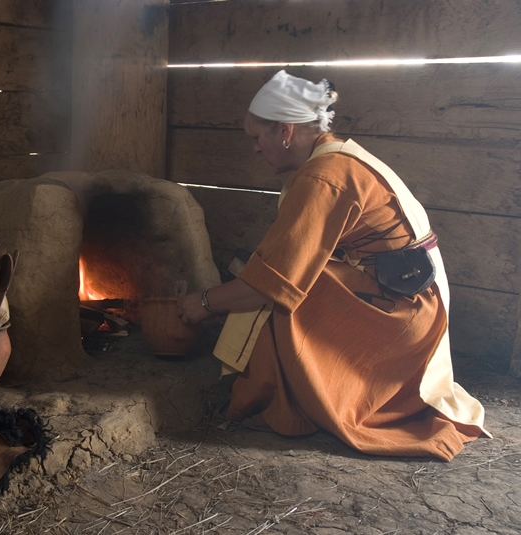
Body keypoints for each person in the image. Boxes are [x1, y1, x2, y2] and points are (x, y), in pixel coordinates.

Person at [177, 70, 488, 461]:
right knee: (282, 274)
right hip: (411, 298)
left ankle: (283, 403)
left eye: (258, 138)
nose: (256, 149)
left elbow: (268, 283)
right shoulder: (339, 157)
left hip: (404, 316)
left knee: (283, 288)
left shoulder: (326, 176)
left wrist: (201, 304)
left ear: (286, 131)